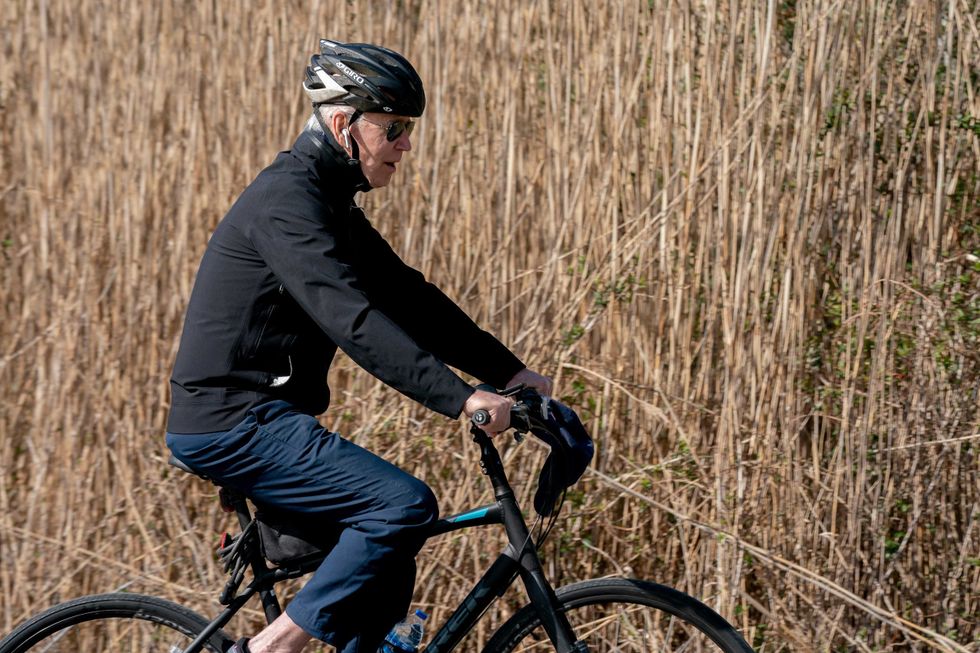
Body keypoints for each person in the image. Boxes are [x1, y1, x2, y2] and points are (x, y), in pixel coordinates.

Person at [165, 39, 552, 653]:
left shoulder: (327, 202)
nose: (405, 145)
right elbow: (357, 323)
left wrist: (510, 370)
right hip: (231, 423)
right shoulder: (286, 204)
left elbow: (407, 298)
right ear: (343, 124)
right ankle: (271, 647)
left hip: (267, 418)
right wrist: (461, 400)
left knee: (390, 558)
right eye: (394, 128)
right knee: (402, 506)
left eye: (408, 129)